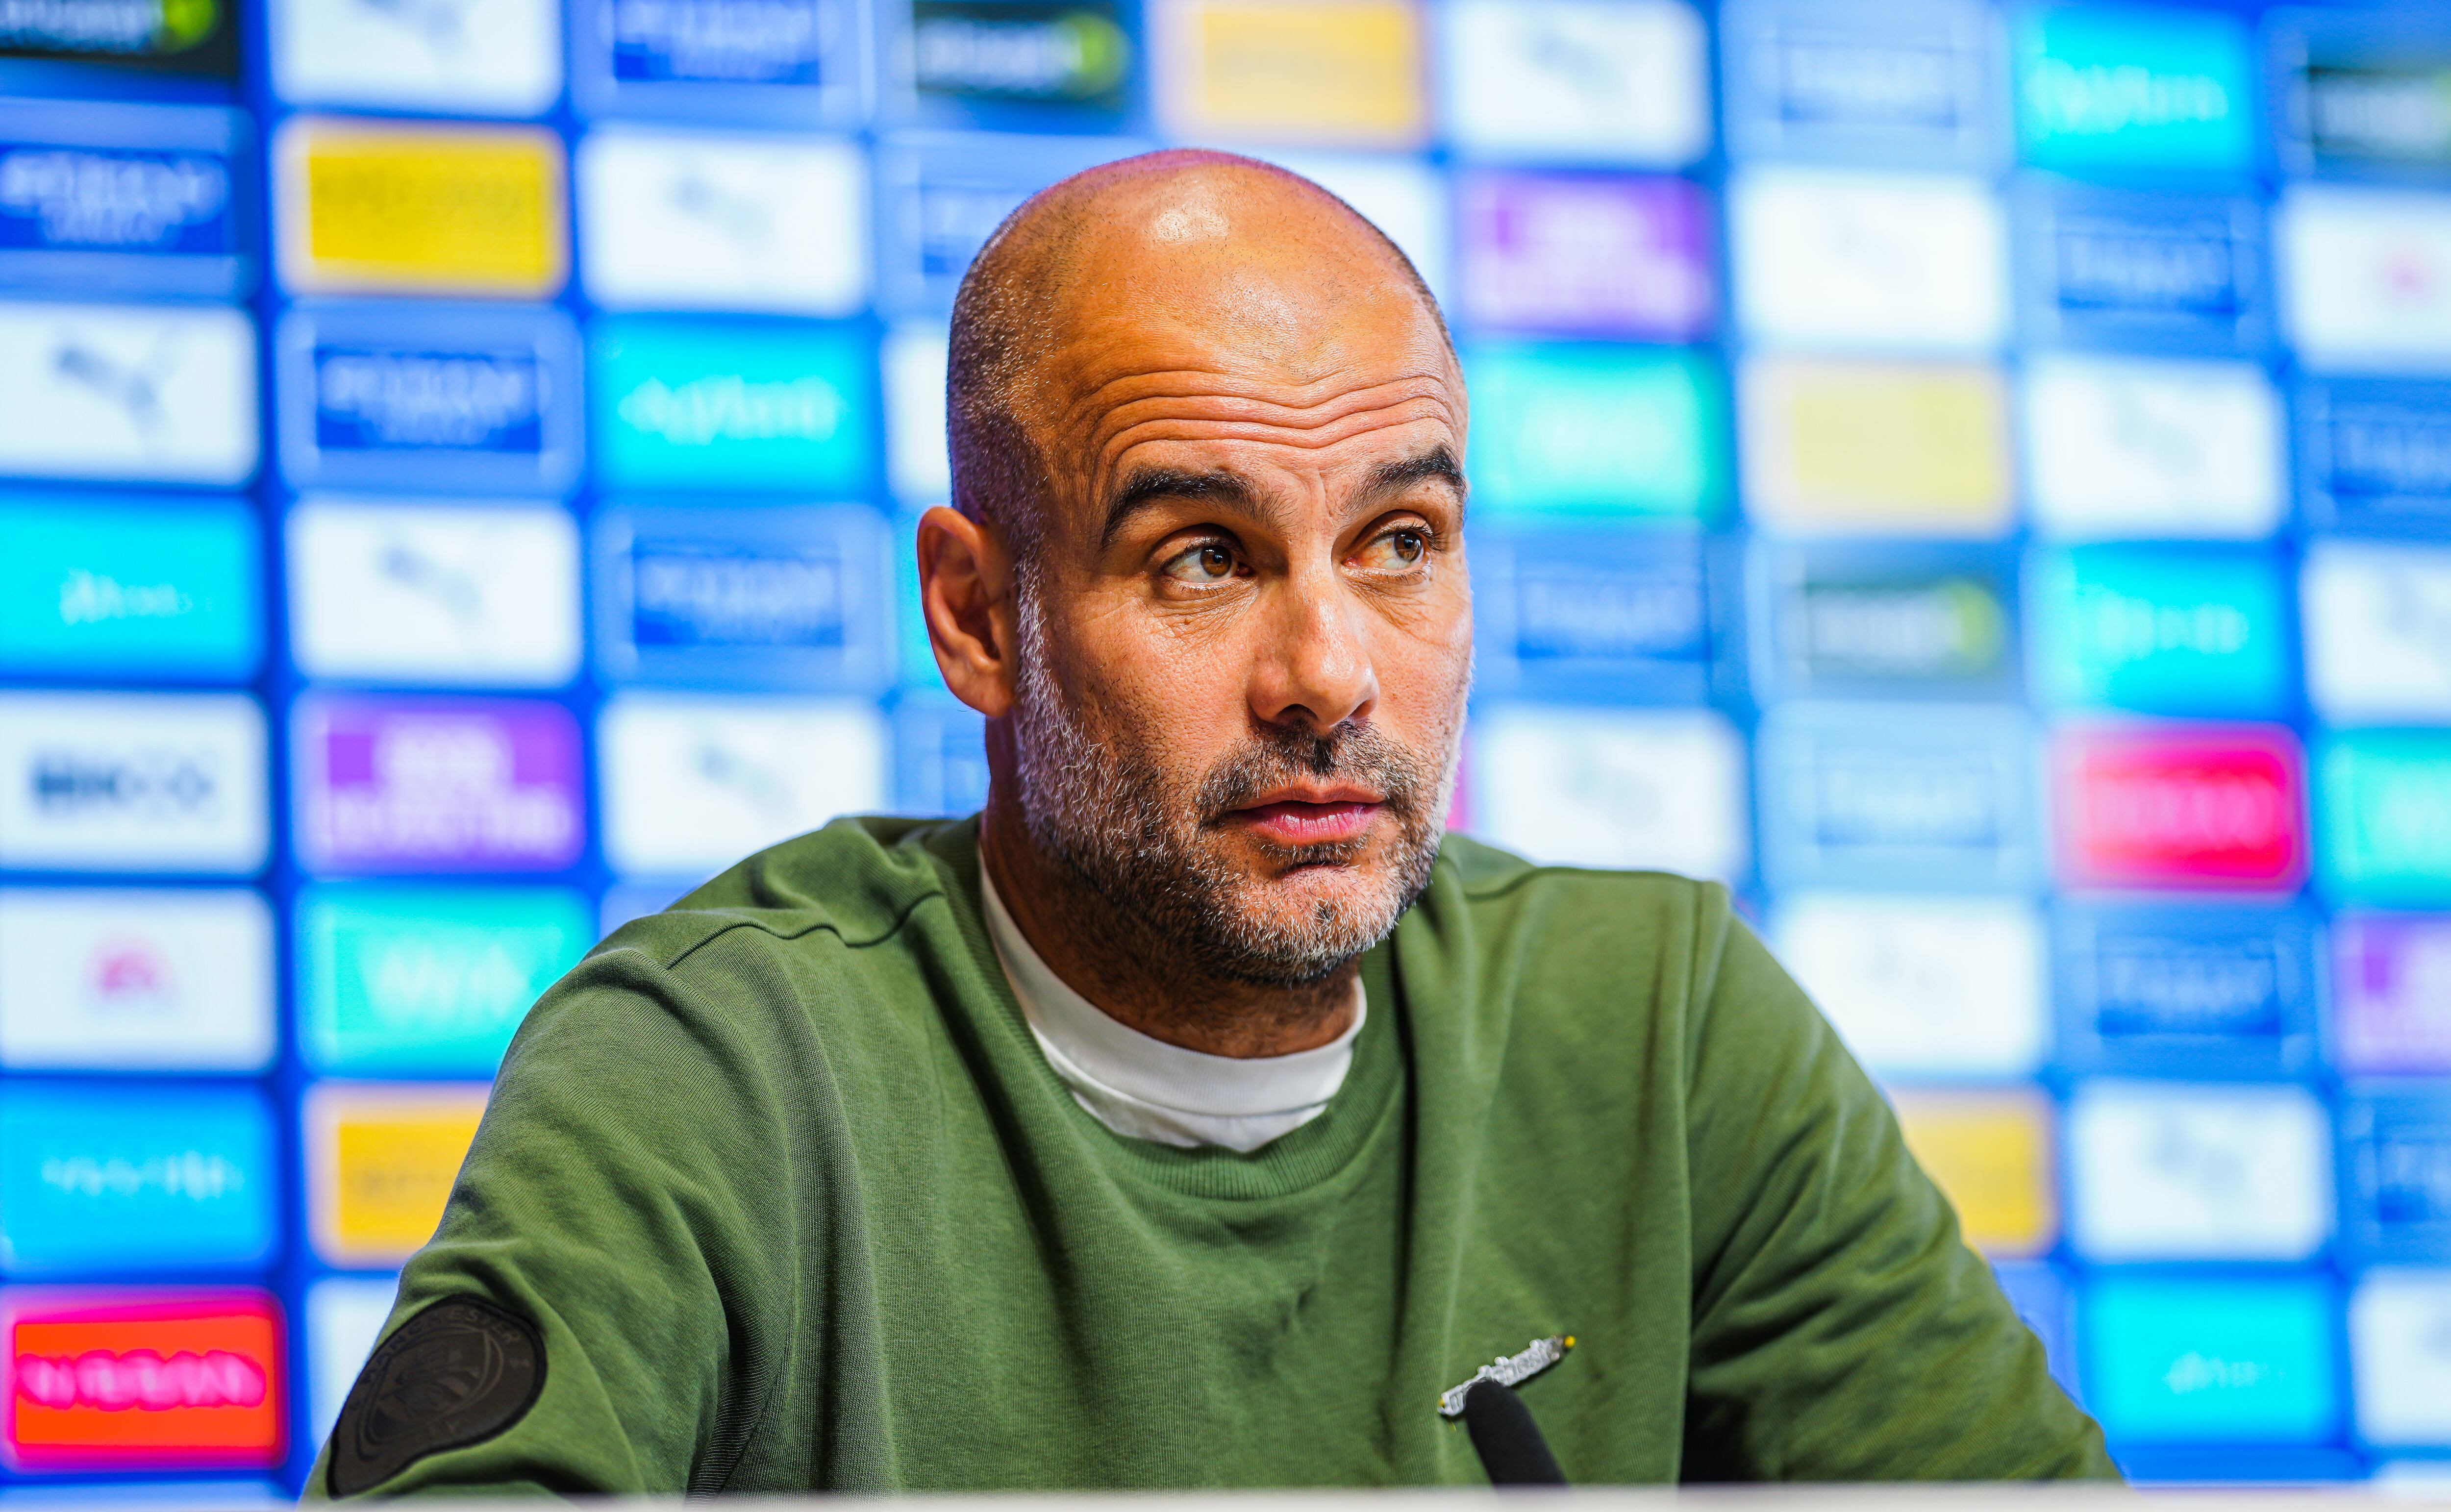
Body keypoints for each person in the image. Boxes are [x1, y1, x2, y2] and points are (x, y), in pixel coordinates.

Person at [310, 150, 2115, 1496]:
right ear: (974, 617)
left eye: (1399, 543)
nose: (1329, 673)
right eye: (1201, 558)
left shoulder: (1658, 1026)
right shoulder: (721, 1064)